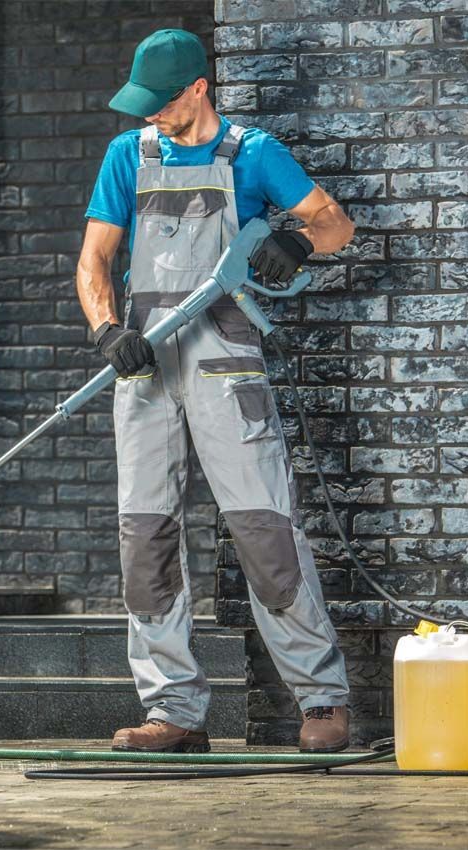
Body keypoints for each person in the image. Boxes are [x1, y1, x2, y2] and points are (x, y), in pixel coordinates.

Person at [77, 29, 357, 753]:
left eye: (161, 100)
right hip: (143, 371)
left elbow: (336, 225)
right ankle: (174, 710)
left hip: (226, 369)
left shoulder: (253, 154)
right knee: (146, 539)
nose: (150, 115)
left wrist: (296, 241)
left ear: (198, 88)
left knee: (265, 534)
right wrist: (109, 333)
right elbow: (95, 261)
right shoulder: (127, 156)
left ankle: (322, 701)